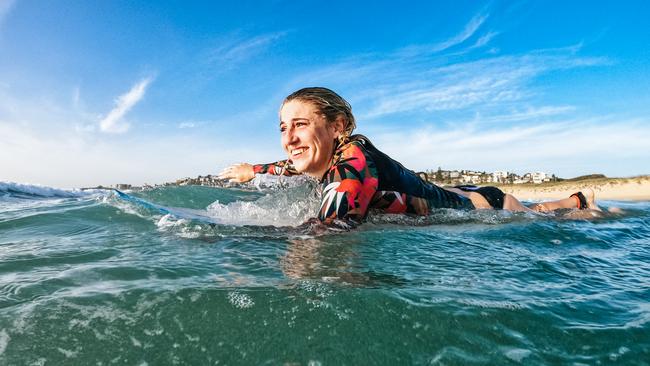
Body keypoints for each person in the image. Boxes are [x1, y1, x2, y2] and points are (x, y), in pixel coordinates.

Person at [218, 87, 602, 228]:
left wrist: (238, 239)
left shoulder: (352, 160)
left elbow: (332, 225)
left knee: (536, 214)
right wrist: (251, 171)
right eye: (283, 128)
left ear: (338, 127)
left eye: (300, 124)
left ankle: (578, 201)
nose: (289, 138)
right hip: (447, 191)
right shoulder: (320, 159)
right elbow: (285, 165)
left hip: (484, 203)